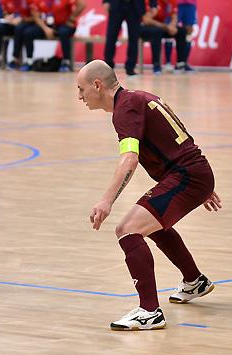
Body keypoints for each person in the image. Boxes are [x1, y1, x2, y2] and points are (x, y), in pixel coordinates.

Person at [76, 60, 221, 331]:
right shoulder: (137, 98)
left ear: (97, 85)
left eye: (81, 89)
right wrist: (202, 180)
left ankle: (149, 312)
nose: (80, 97)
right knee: (150, 224)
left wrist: (106, 200)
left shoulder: (125, 110)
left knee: (127, 229)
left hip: (188, 176)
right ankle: (194, 281)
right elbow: (177, 136)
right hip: (192, 174)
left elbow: (130, 159)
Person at [21, 0, 85, 72]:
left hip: (65, 24)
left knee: (64, 32)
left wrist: (72, 18)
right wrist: (45, 29)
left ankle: (66, 62)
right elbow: (36, 15)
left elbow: (82, 4)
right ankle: (29, 61)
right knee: (28, 32)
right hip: (49, 25)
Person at [139, 0, 188, 75]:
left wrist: (173, 26)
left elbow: (174, 16)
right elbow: (146, 20)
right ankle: (156, 66)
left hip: (161, 27)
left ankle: (180, 64)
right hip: (144, 27)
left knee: (181, 31)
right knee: (157, 31)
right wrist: (166, 26)